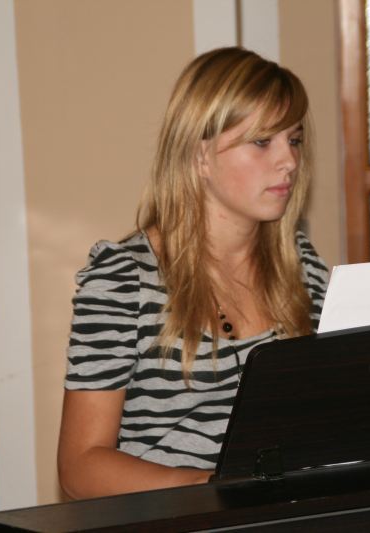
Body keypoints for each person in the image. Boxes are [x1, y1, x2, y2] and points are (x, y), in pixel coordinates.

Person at [57, 47, 328, 499]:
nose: (290, 162)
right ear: (200, 155)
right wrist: (210, 488)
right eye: (263, 141)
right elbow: (79, 467)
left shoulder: (302, 266)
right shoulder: (124, 280)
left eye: (294, 140)